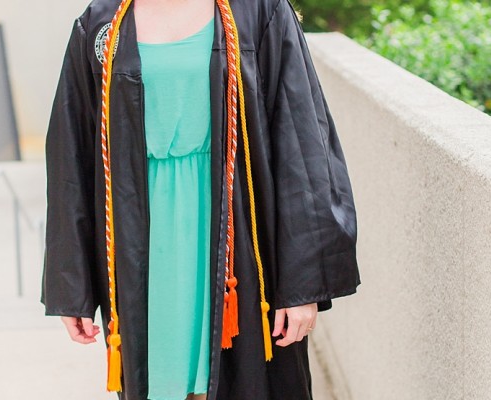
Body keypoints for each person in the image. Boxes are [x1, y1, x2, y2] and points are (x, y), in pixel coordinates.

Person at [40, 0, 361, 398]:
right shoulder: (102, 22)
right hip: (143, 239)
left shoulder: (259, 12)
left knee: (246, 380)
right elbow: (72, 155)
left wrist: (303, 287)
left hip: (238, 236)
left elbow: (301, 142)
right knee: (159, 382)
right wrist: (73, 288)